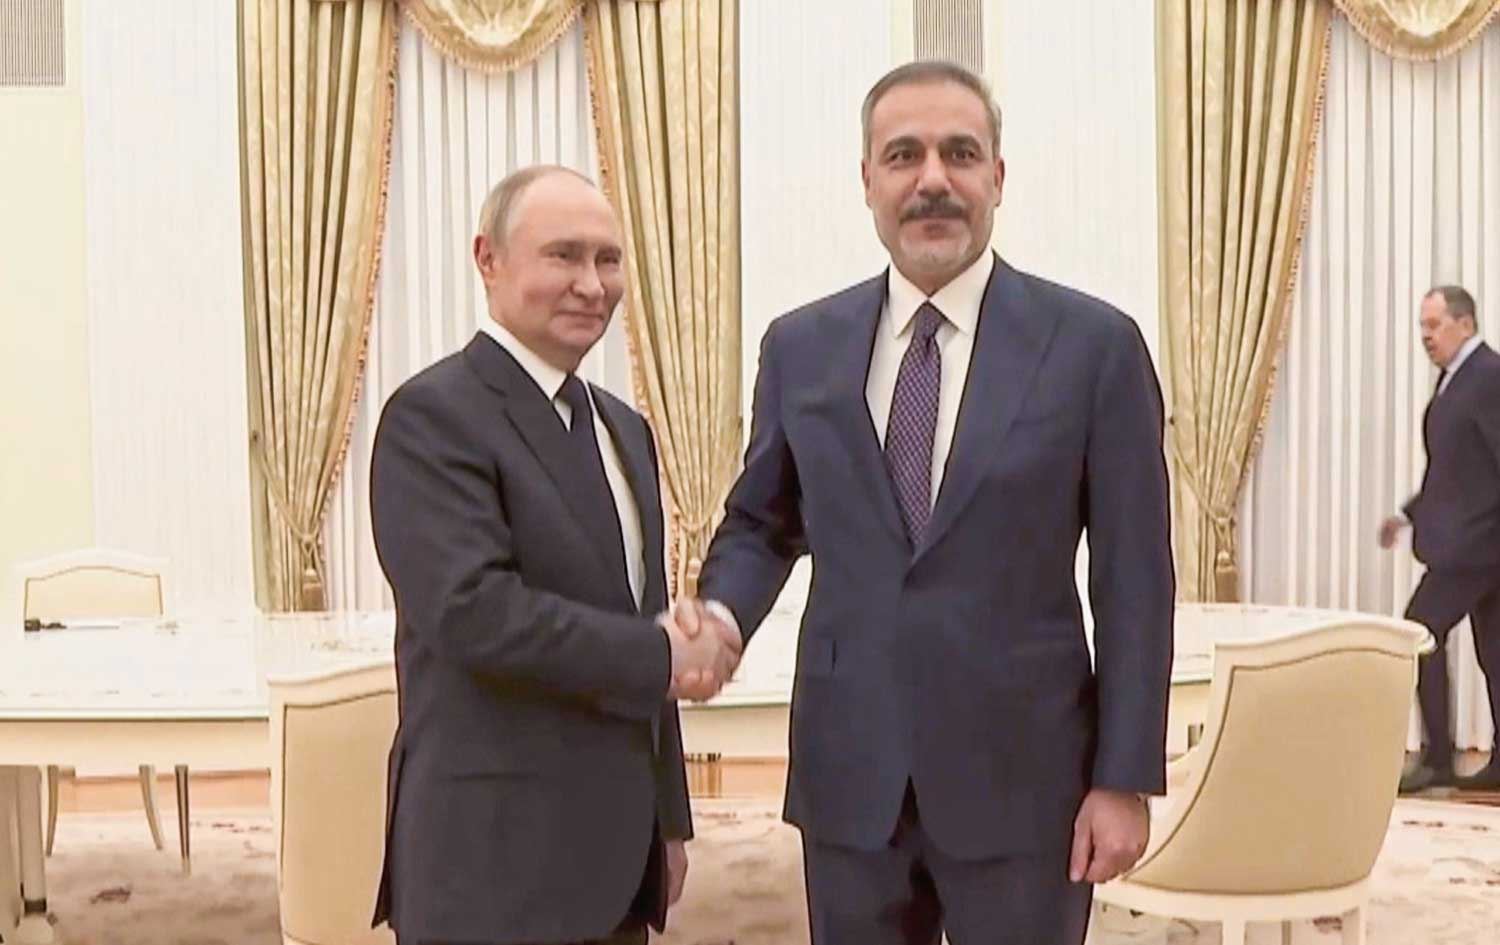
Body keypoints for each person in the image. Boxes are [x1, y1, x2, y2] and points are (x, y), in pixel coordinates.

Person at [680, 60, 1175, 944]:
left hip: (1028, 780)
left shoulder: (1094, 347)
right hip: (850, 772)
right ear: (867, 180)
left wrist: (1124, 775)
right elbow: (762, 521)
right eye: (904, 155)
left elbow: (1134, 578)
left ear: (998, 178)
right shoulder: (800, 346)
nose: (932, 179)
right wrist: (719, 617)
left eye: (960, 153)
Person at [368, 165, 742, 945]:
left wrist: (668, 820)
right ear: (488, 259)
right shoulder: (432, 418)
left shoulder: (625, 428)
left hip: (616, 863)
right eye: (563, 256)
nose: (591, 284)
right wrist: (662, 653)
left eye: (608, 260)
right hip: (490, 864)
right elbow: (475, 613)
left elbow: (641, 617)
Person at [1379, 285, 1500, 793]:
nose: (1426, 336)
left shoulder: (1488, 377)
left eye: (1435, 325)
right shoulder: (1457, 380)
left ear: (1465, 324)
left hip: (1478, 544)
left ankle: (1437, 760)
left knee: (1419, 631)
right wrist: (1408, 514)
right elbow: (1455, 470)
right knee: (1494, 650)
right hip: (1477, 544)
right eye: (1422, 327)